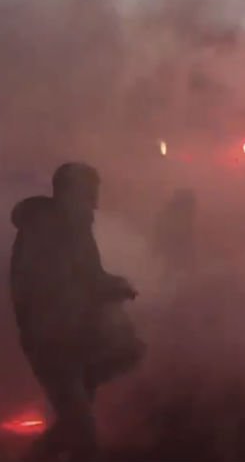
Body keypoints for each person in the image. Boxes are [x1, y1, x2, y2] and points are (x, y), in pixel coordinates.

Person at [10, 163, 141, 461]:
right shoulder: (44, 230)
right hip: (52, 342)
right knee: (83, 436)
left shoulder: (76, 228)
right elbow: (53, 287)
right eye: (89, 193)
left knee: (74, 424)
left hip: (74, 339)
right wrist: (106, 290)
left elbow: (88, 275)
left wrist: (114, 285)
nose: (95, 201)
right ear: (69, 192)